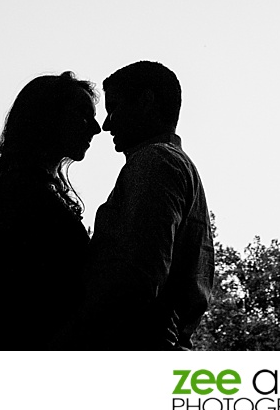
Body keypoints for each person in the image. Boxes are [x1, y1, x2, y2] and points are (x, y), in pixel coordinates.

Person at [85, 61, 214, 350]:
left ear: (146, 101)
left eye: (114, 108)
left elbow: (141, 275)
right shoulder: (175, 164)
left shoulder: (155, 162)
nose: (107, 125)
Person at [0, 71, 101, 349]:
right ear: (48, 118)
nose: (96, 128)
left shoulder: (29, 189)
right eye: (83, 114)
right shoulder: (25, 196)